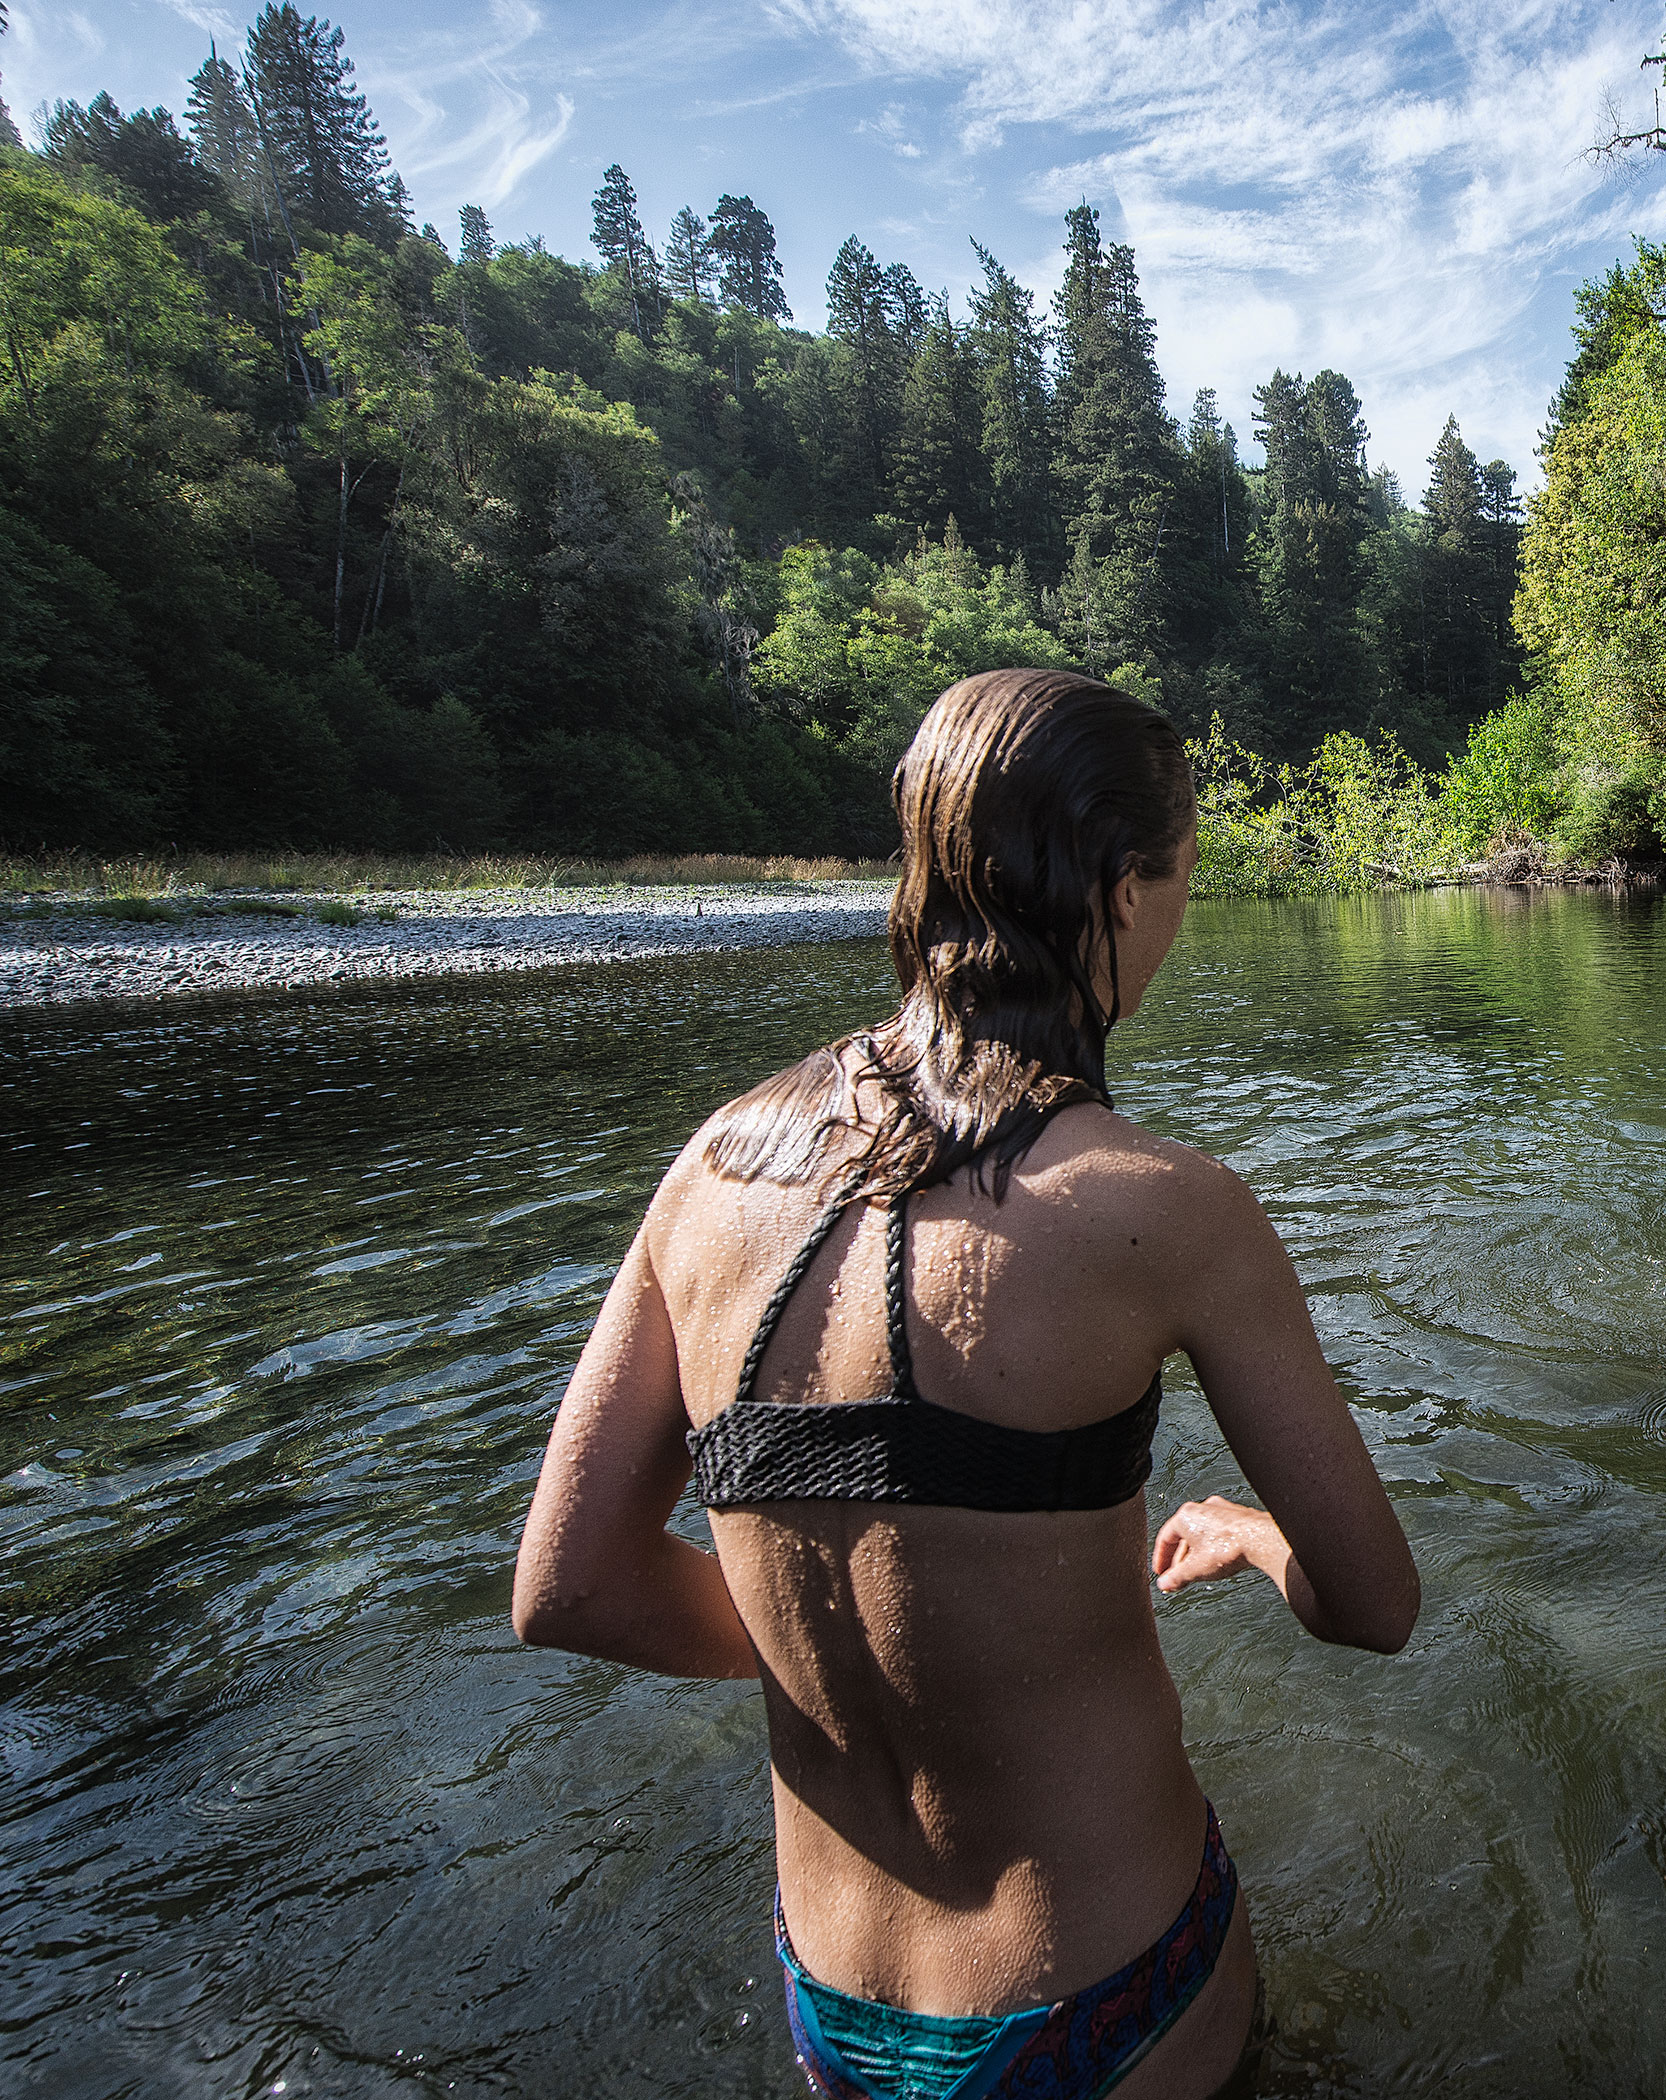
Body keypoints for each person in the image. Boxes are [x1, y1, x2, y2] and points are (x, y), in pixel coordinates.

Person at [511, 669, 1419, 2100]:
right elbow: (1375, 1608)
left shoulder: (712, 1170)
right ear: (1123, 888)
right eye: (1181, 876)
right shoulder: (1162, 1207)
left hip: (836, 2000)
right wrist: (1248, 1536)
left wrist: (844, 1648)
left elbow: (566, 1588)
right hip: (1107, 1991)